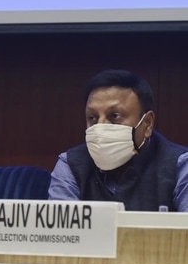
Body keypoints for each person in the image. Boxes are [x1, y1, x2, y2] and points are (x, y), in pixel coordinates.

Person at [48, 69, 187, 212]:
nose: (101, 126)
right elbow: (64, 233)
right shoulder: (70, 165)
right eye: (92, 118)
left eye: (114, 116)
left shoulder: (180, 165)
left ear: (147, 124)